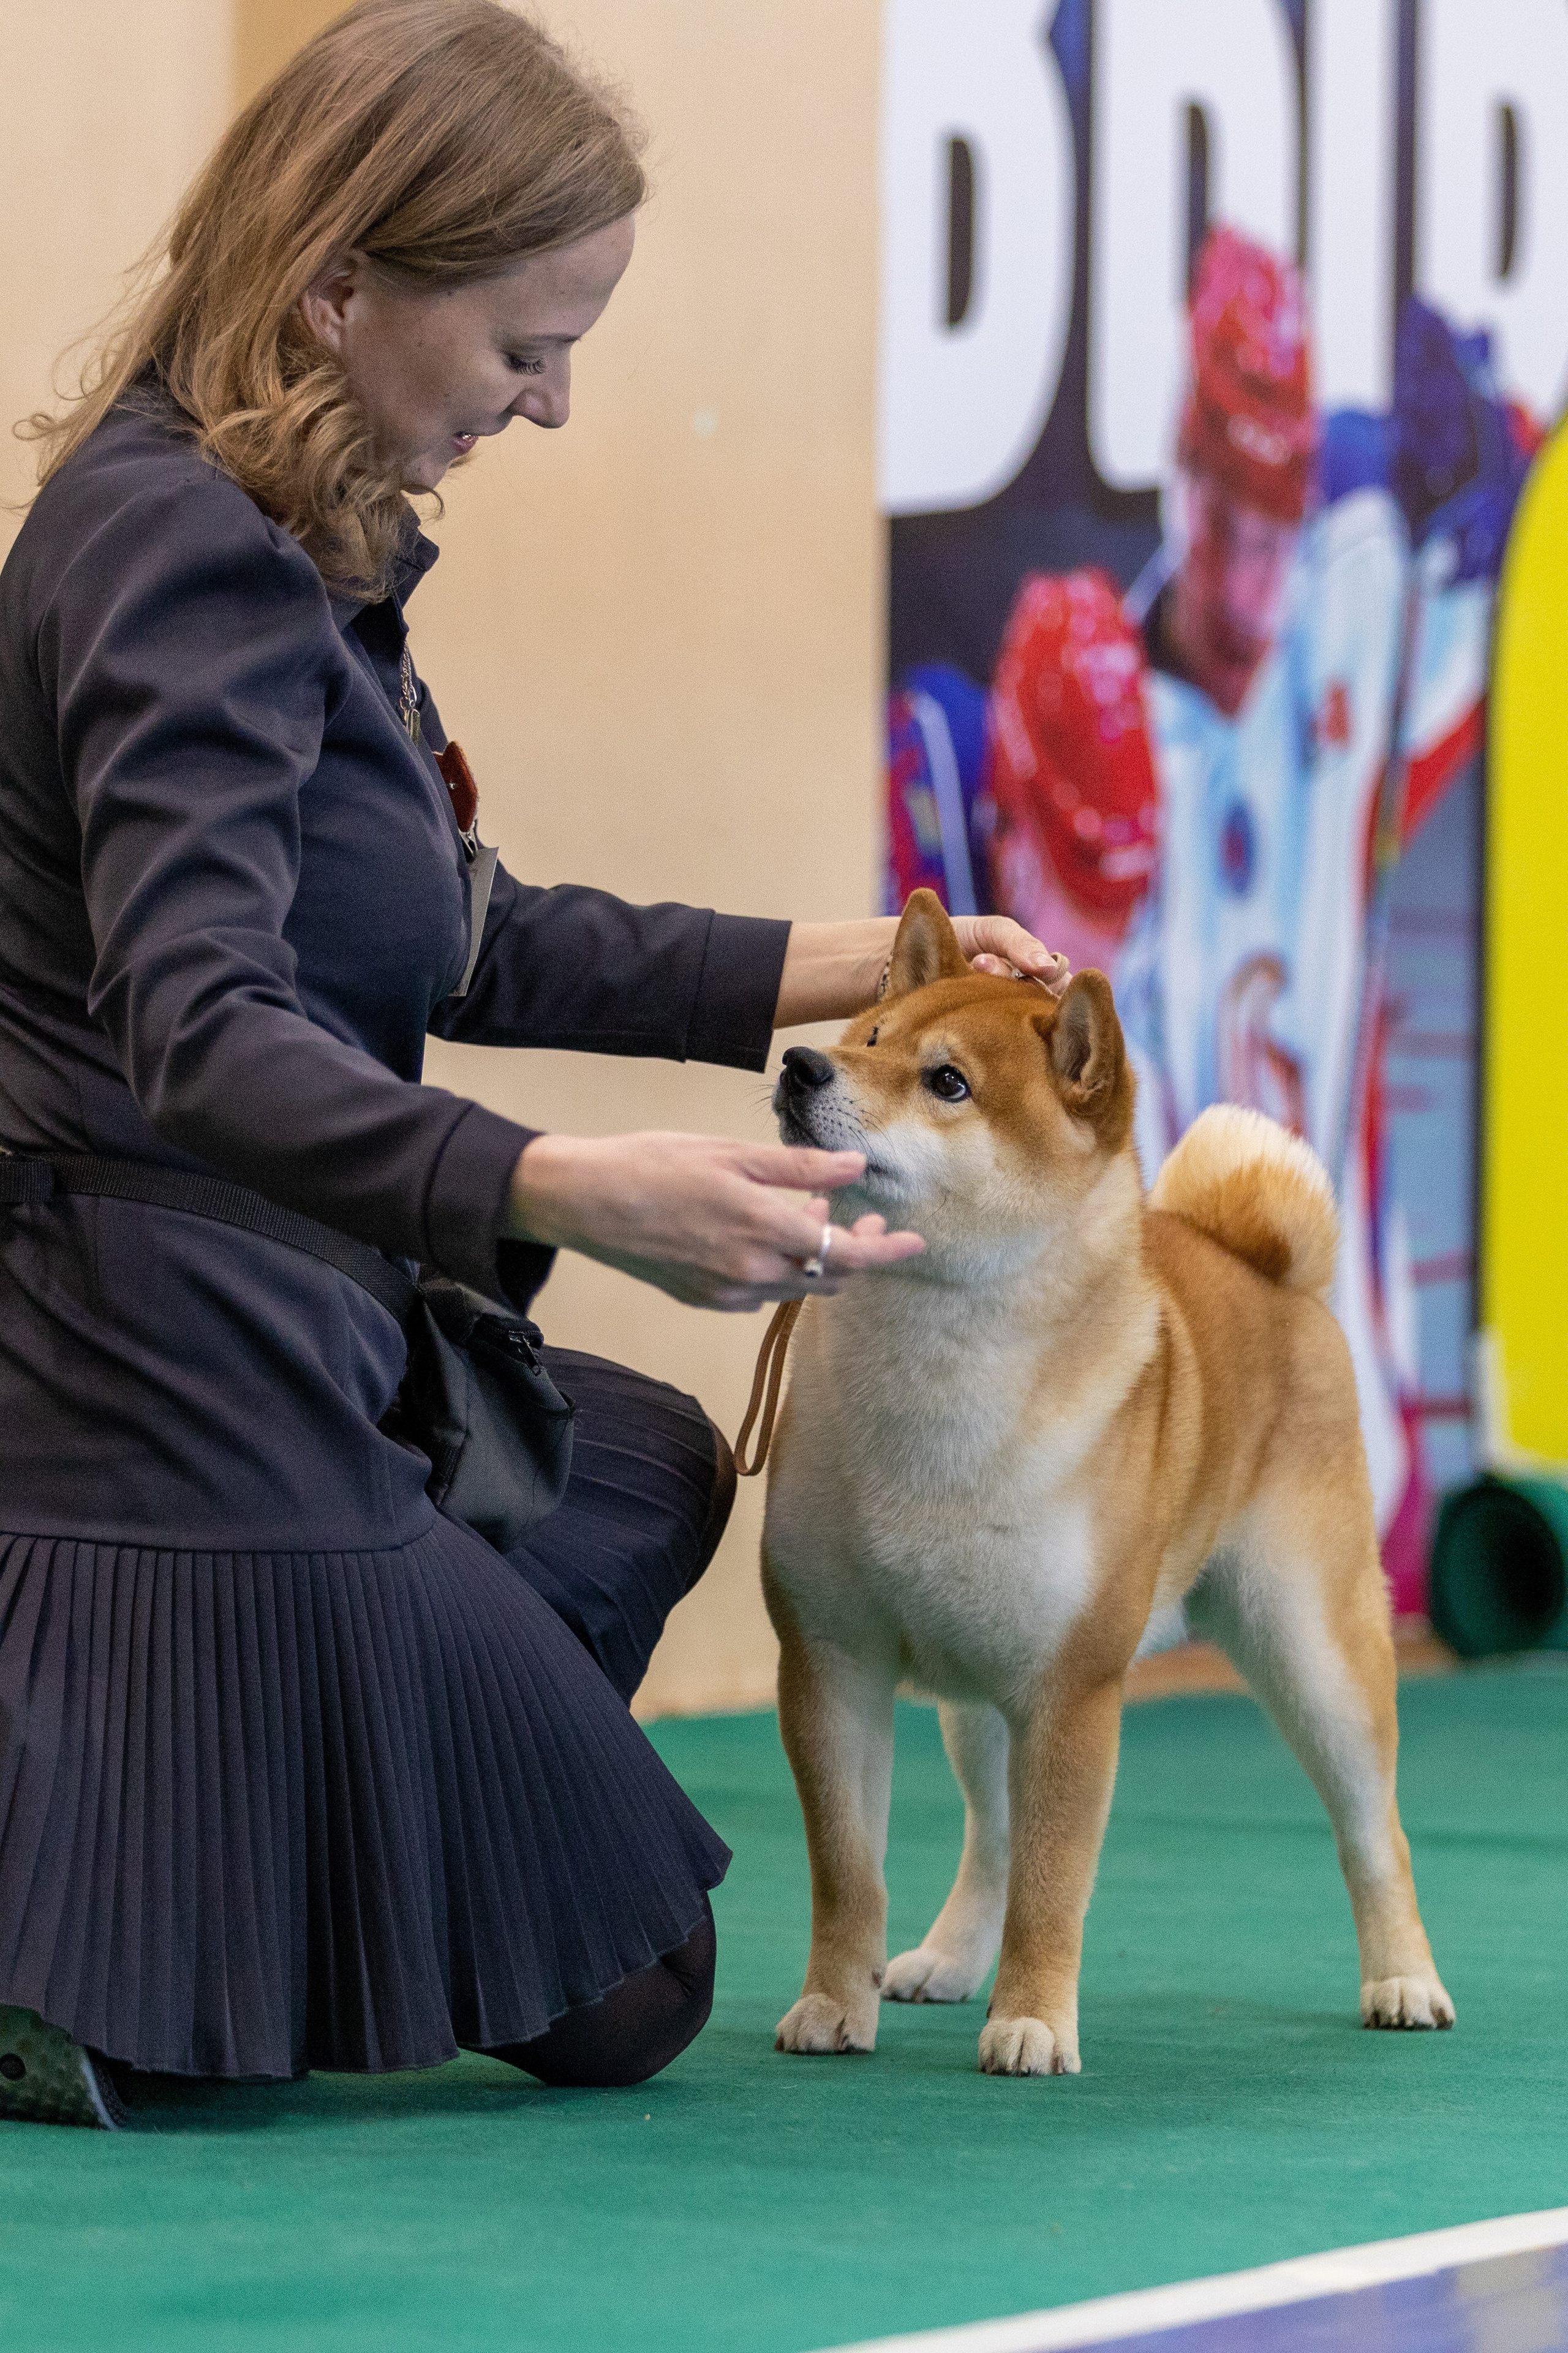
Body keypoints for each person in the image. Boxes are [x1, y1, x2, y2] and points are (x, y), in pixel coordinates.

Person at [0, 0, 1064, 2129]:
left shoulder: (297, 539)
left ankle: (196, 1855)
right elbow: (198, 1037)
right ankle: (97, 1902)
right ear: (336, 288)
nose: (557, 403)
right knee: (637, 1989)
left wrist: (864, 960)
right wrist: (573, 1187)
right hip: (159, 1382)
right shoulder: (184, 558)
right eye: (520, 348)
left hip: (293, 1325)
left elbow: (467, 930)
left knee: (652, 1469)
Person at [979, 225, 1532, 1612]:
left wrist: (1473, 468)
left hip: (1344, 1346)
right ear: (1176, 483)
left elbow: (1477, 547)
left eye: (1274, 521)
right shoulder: (1105, 730)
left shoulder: (1353, 606)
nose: (1246, 572)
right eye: (1223, 515)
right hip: (1155, 1375)